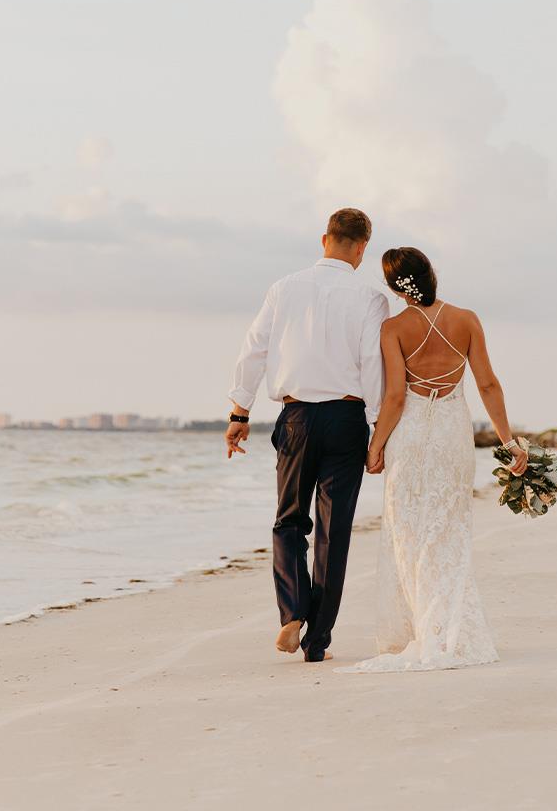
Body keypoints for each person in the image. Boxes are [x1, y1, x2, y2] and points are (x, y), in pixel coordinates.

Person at [339, 246, 527, 673]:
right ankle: (449, 628)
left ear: (393, 287)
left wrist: (375, 446)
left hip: (409, 438)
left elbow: (394, 396)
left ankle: (421, 631)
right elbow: (489, 385)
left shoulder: (393, 328)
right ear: (431, 274)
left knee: (408, 534)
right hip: (450, 436)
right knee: (448, 531)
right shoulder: (466, 319)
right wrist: (508, 441)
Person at [226, 208, 388, 662]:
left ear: (325, 240)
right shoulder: (371, 298)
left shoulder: (284, 288)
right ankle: (317, 642)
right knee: (333, 535)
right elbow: (373, 367)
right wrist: (378, 432)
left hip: (295, 417)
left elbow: (253, 349)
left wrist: (240, 412)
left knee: (289, 521)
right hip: (346, 419)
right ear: (361, 247)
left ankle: (291, 613)